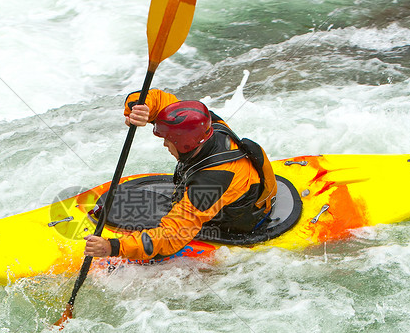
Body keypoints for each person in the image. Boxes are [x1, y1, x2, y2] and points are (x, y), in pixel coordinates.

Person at [84, 89, 277, 261]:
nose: (164, 144)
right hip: (235, 195)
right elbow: (161, 101)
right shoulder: (205, 123)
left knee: (160, 240)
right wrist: (139, 108)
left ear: (185, 143)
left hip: (234, 222)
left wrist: (114, 247)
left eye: (168, 140)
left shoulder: (211, 184)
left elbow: (172, 236)